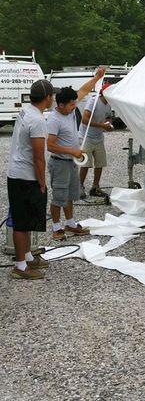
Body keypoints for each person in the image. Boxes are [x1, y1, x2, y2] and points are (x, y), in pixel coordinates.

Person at [46, 67, 105, 241]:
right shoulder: (54, 119)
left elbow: (84, 90)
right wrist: (72, 151)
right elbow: (49, 145)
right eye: (72, 105)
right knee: (59, 195)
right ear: (61, 104)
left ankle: (70, 223)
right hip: (59, 162)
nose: (74, 107)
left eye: (74, 104)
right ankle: (56, 227)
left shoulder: (69, 108)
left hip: (70, 161)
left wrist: (97, 78)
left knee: (71, 194)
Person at [6, 79, 57, 279]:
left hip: (18, 173)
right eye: (52, 96)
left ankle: (27, 256)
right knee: (22, 221)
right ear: (47, 98)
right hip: (25, 176)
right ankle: (20, 267)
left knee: (26, 219)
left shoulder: (27, 111)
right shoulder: (36, 120)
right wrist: (42, 182)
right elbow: (38, 157)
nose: (52, 99)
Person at [79, 81, 114, 199]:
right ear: (103, 93)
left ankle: (95, 187)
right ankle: (79, 187)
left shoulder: (109, 104)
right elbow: (84, 119)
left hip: (98, 137)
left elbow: (109, 116)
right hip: (87, 136)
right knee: (85, 163)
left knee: (100, 162)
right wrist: (102, 126)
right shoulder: (93, 101)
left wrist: (109, 123)